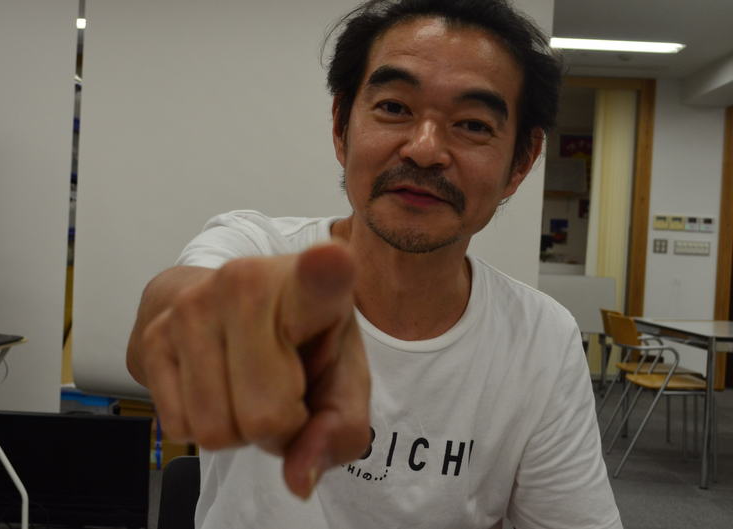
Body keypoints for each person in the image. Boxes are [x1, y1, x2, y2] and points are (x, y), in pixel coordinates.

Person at [127, 0, 623, 527]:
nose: (425, 150)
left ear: (520, 162)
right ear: (342, 125)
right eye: (394, 107)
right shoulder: (257, 249)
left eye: (473, 125)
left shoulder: (541, 339)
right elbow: (169, 322)